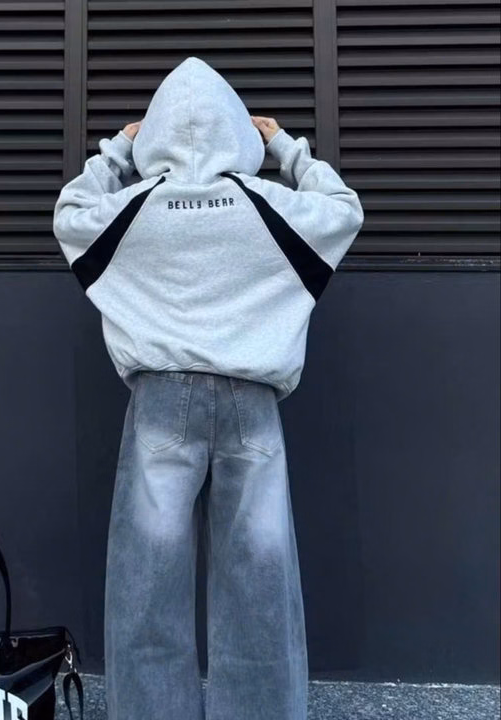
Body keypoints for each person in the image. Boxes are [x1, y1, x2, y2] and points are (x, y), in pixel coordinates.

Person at [53, 56, 364, 720]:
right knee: (260, 587)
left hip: (160, 404)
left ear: (159, 128)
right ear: (236, 132)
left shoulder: (137, 206)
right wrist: (286, 147)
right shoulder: (265, 204)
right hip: (252, 404)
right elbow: (344, 211)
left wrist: (119, 150)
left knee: (147, 591)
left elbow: (70, 214)